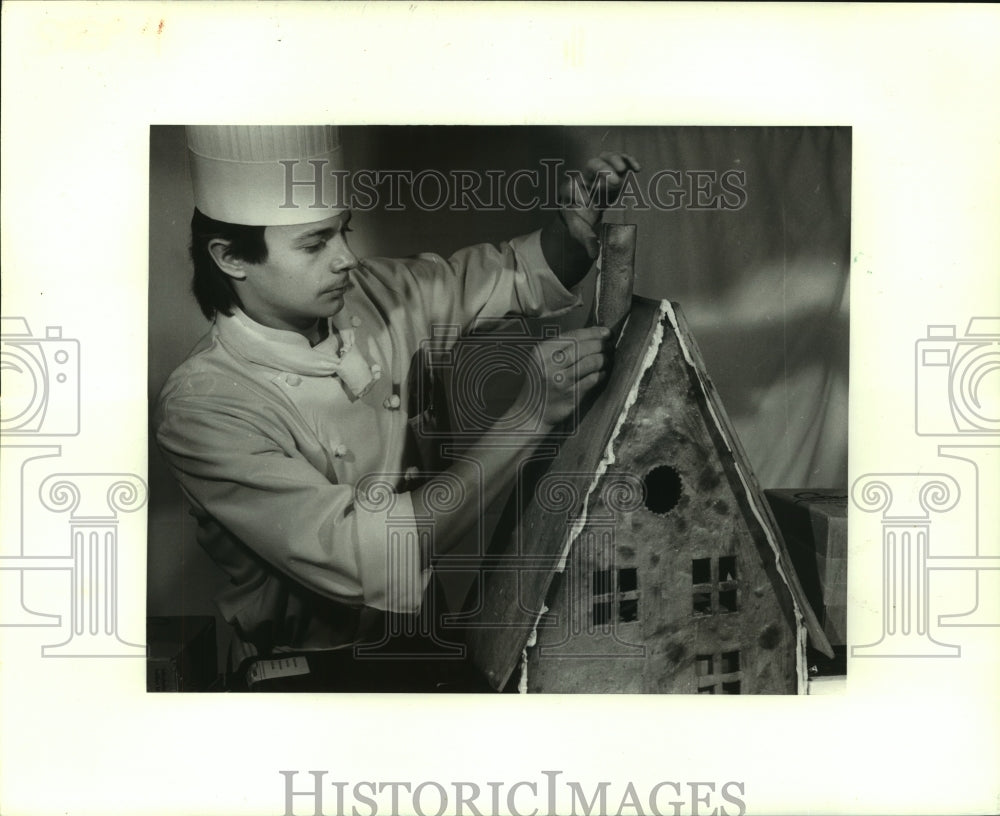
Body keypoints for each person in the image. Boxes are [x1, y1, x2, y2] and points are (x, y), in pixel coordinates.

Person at [153, 125, 640, 690]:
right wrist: (529, 417)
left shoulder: (377, 294)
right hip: (307, 677)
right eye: (314, 244)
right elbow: (371, 555)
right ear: (231, 256)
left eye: (343, 232)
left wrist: (573, 230)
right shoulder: (205, 406)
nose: (348, 259)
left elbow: (513, 275)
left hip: (429, 641)